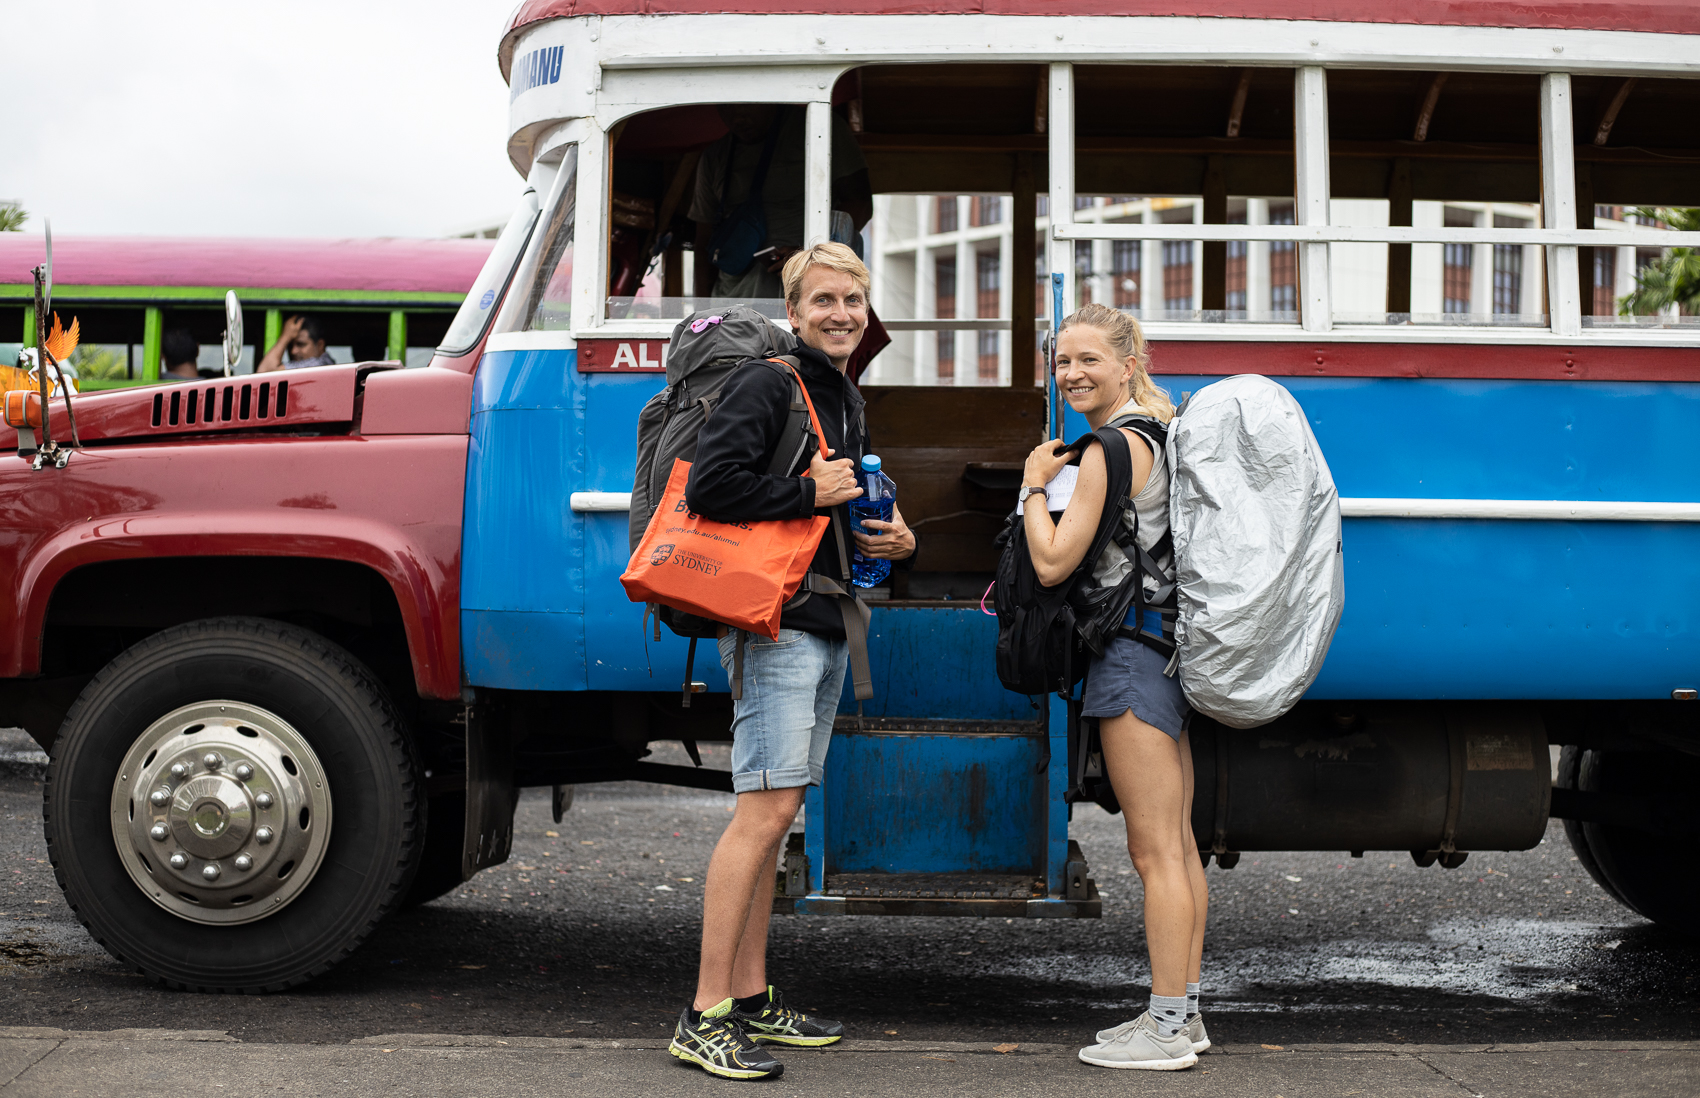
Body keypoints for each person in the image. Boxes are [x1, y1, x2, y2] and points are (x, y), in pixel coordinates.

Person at [670, 243, 915, 1081]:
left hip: (823, 619)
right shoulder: (771, 381)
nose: (841, 313)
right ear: (795, 309)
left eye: (852, 299)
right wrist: (810, 494)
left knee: (777, 816)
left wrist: (893, 539)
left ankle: (751, 996)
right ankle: (702, 1015)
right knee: (761, 815)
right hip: (776, 624)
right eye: (823, 301)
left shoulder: (840, 393)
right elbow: (711, 486)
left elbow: (842, 503)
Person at [1020, 303, 1208, 1071]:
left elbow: (1054, 563)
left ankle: (1164, 1031)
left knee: (1154, 850)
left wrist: (1034, 488)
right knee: (1180, 847)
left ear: (1128, 362)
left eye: (1088, 359)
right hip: (1164, 647)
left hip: (1130, 656)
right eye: (1062, 362)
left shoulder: (1106, 448)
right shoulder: (1158, 432)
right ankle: (1183, 1014)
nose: (1071, 374)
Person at [689, 104, 872, 301]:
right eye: (726, 106)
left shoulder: (818, 126)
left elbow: (859, 203)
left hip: (803, 295)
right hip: (734, 299)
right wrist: (702, 315)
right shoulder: (714, 157)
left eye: (747, 104)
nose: (738, 116)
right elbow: (703, 243)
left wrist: (810, 255)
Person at [258, 314, 335, 372]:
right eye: (290, 346)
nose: (293, 351)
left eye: (301, 344)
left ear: (320, 345)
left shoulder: (319, 365)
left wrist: (285, 336)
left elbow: (265, 372)